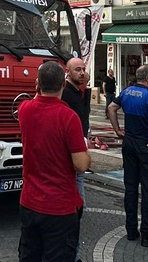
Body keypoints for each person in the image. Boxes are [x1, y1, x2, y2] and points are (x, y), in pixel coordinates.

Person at [18, 61, 91, 262]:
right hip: (60, 207)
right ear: (63, 85)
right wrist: (86, 150)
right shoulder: (69, 118)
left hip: (30, 203)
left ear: (37, 85)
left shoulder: (25, 110)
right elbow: (81, 164)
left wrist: (38, 88)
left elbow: (36, 100)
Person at [107, 64, 148, 247]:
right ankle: (147, 235)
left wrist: (117, 130)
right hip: (146, 146)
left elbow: (111, 108)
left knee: (130, 188)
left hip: (129, 143)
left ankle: (131, 230)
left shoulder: (126, 92)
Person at [60, 58, 91, 262]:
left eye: (83, 69)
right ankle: (73, 255)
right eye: (78, 70)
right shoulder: (67, 94)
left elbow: (84, 116)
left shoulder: (78, 92)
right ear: (67, 72)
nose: (82, 73)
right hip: (73, 154)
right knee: (76, 206)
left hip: (80, 148)